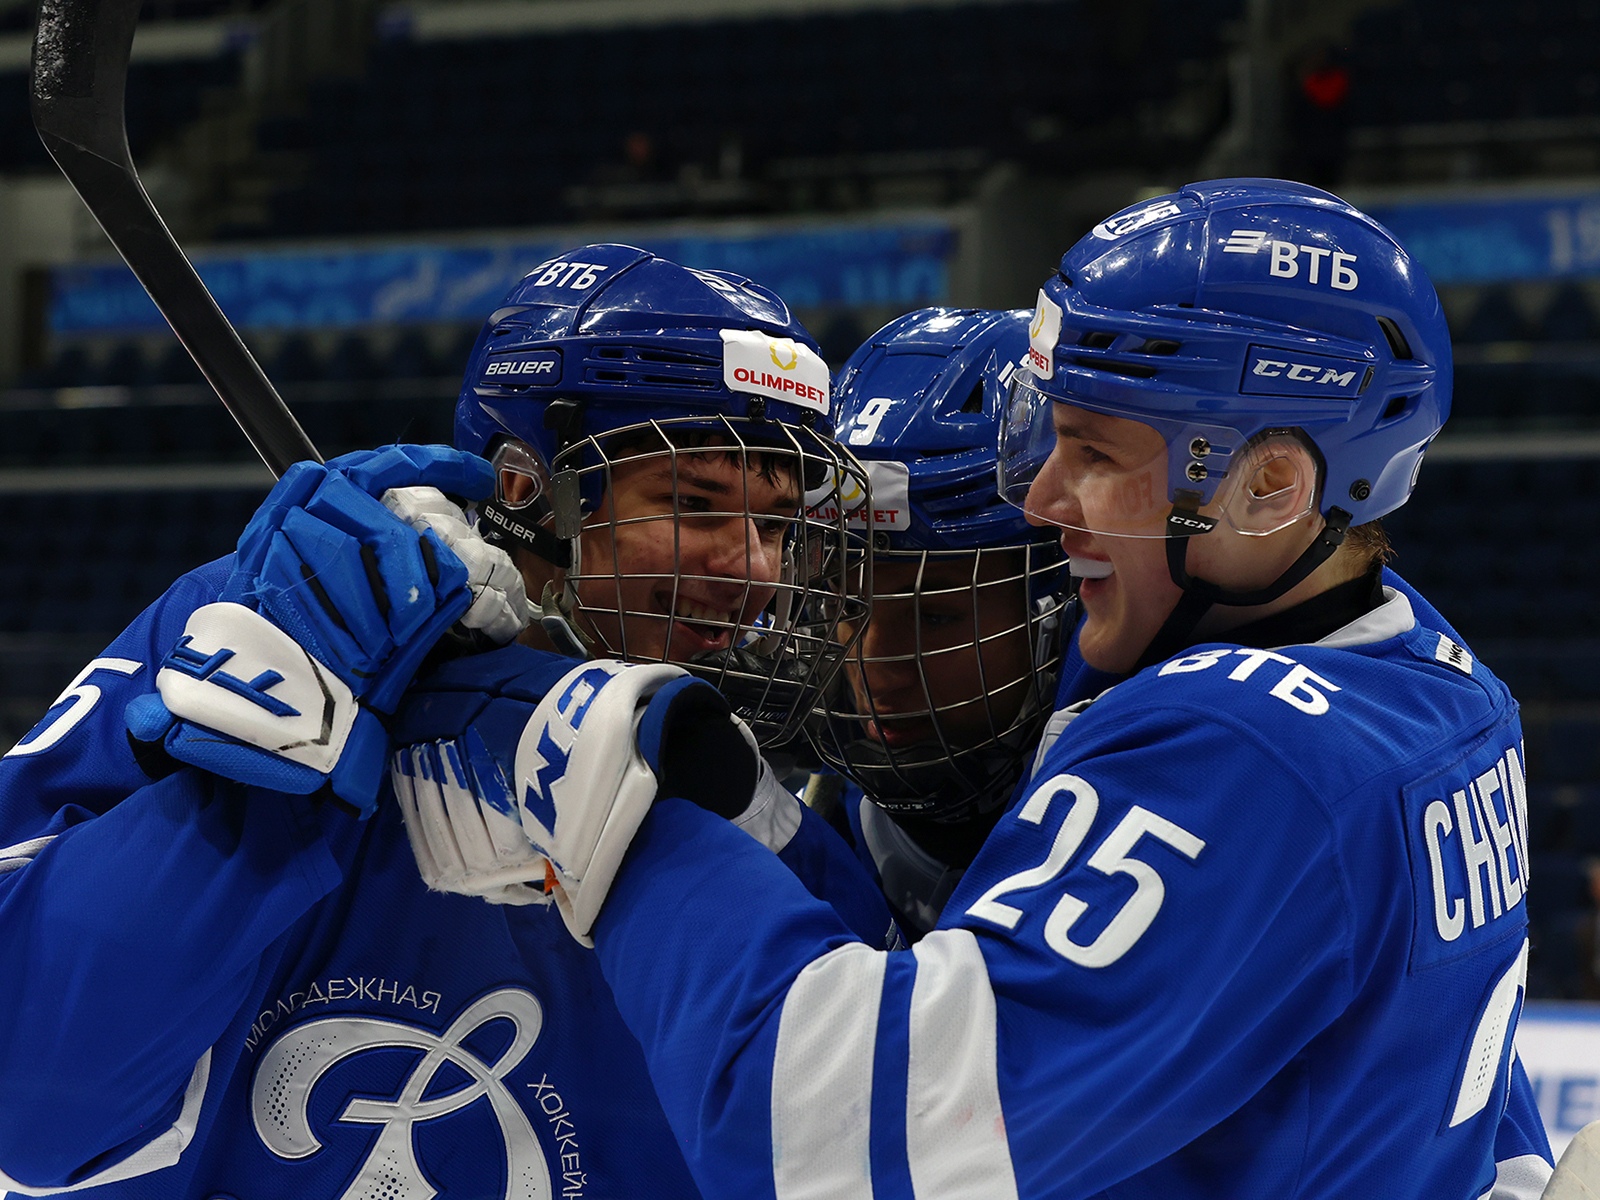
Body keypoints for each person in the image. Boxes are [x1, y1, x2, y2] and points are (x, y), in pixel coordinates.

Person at [394, 182, 1550, 1198]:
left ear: (1269, 486)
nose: (1045, 502)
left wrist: (617, 800)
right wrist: (750, 811)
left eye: (1095, 454)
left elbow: (820, 1134)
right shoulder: (1433, 681)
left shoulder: (1240, 754)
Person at [0, 244, 890, 1198]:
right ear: (524, 487)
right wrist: (278, 762)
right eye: (694, 503)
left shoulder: (743, 801)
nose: (752, 566)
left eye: (776, 524)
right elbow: (31, 1106)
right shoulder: (257, 621)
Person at [806, 306, 1069, 936]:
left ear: (1058, 607)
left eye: (937, 616)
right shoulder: (801, 822)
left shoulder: (1154, 793)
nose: (877, 666)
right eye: (847, 607)